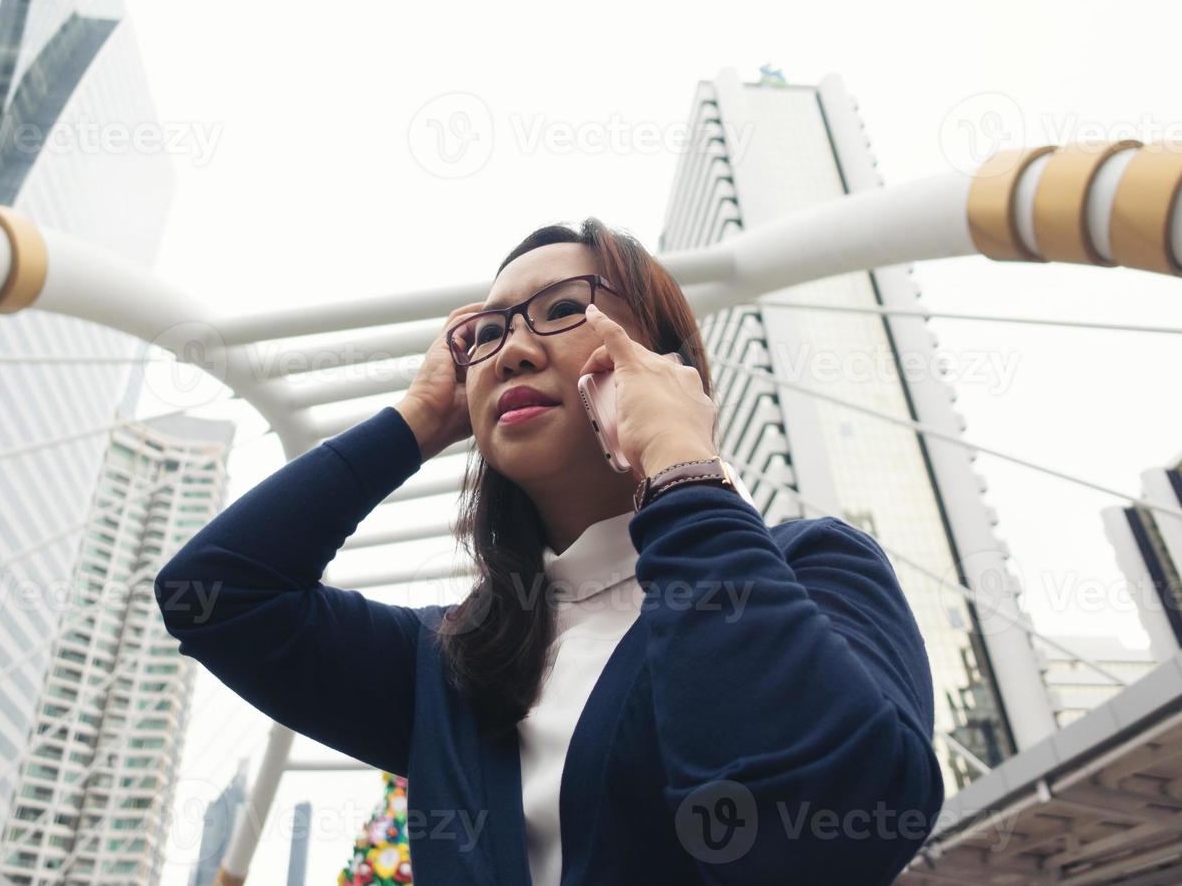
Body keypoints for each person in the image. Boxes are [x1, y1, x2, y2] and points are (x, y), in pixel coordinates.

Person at [154, 218, 944, 884]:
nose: (511, 351)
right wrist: (421, 416)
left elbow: (832, 822)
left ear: (667, 366)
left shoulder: (812, 571)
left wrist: (676, 456)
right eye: (486, 335)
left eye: (564, 308)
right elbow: (219, 594)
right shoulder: (448, 665)